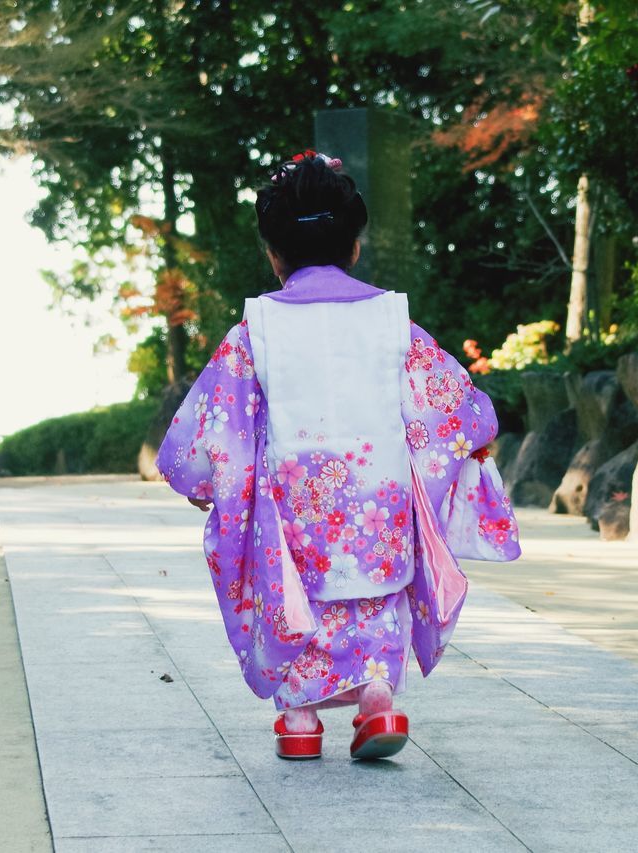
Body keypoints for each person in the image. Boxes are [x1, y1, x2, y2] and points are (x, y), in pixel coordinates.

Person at [155, 150, 520, 761]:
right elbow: (459, 412)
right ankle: (377, 700)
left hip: (289, 503)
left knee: (292, 597)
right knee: (372, 597)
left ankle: (299, 720)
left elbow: (214, 433)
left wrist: (215, 486)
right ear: (354, 246)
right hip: (376, 500)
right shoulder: (392, 321)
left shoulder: (255, 330)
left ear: (273, 254)